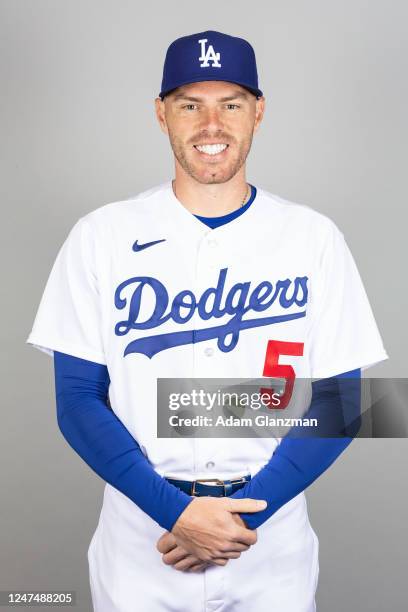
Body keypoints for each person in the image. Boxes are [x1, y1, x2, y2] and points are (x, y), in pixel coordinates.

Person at [26, 30, 388, 611]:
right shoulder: (100, 237)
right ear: (161, 113)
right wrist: (178, 513)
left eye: (232, 104)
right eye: (191, 104)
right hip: (143, 538)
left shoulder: (313, 237)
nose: (211, 124)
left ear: (259, 112)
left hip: (269, 544)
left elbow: (344, 401)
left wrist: (240, 520)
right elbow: (77, 401)